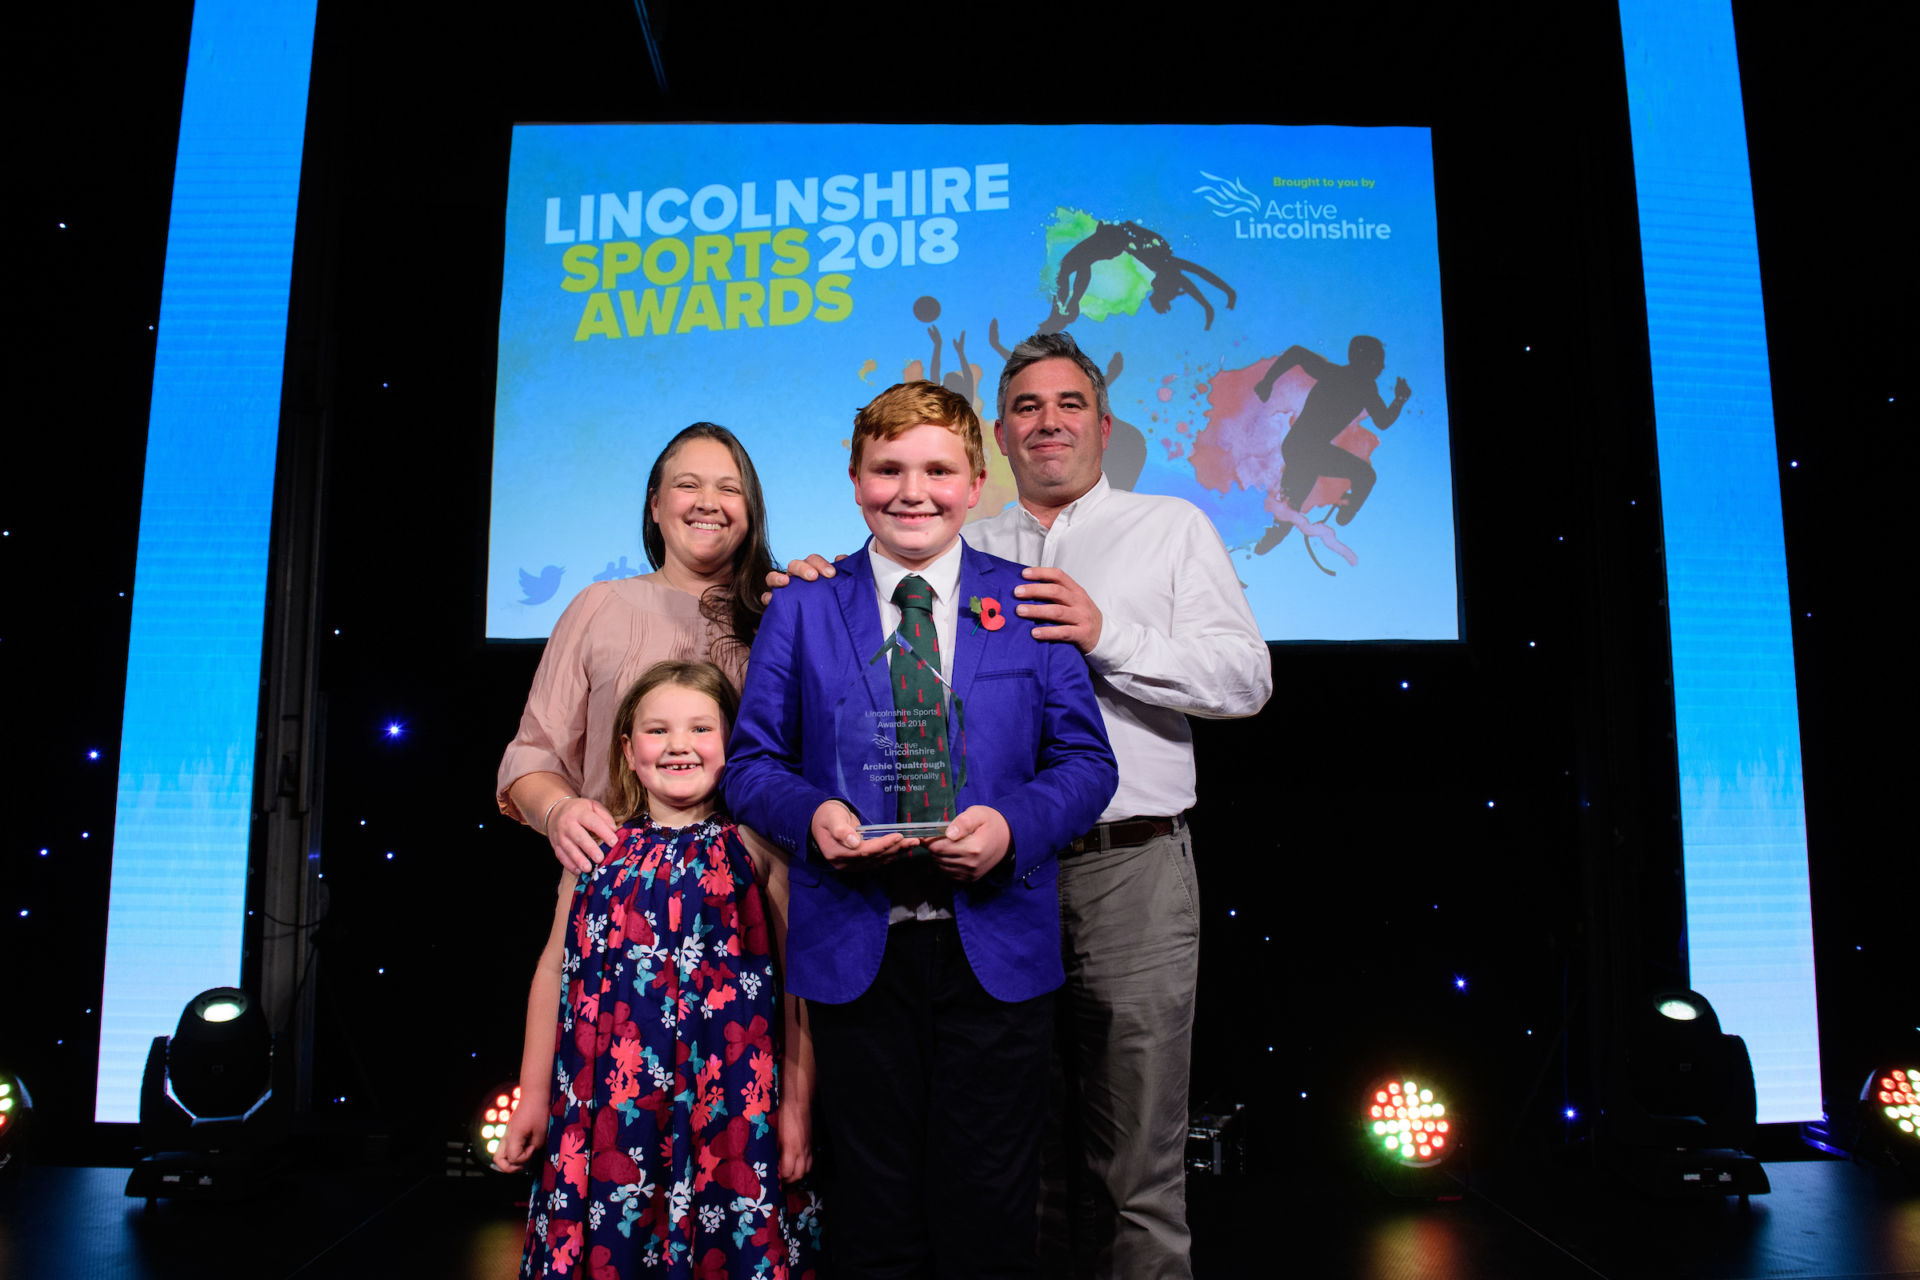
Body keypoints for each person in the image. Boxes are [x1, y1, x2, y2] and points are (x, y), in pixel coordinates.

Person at [775, 332, 1271, 1279]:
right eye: (1028, 409)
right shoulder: (964, 541)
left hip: (1128, 864)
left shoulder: (1170, 528)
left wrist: (1106, 632)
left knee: (1136, 1158)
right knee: (1008, 1161)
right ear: (996, 439)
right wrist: (813, 582)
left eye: (1070, 404)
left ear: (1105, 423)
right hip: (985, 882)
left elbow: (1246, 681)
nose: (1049, 423)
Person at [725, 380, 1117, 1278]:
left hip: (996, 953)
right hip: (855, 955)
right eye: (889, 468)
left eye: (938, 469)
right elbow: (750, 767)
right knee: (873, 1218)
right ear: (856, 480)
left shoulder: (1027, 600)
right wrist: (811, 815)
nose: (913, 490)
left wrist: (1011, 826)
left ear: (976, 483)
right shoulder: (801, 609)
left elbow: (1089, 765)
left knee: (988, 1216)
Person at [494, 660, 821, 1279]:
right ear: (627, 748)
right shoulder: (595, 848)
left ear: (735, 742)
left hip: (731, 1111)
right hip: (610, 1108)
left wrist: (797, 1109)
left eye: (702, 728)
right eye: (657, 730)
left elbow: (796, 986)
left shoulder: (758, 847)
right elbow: (552, 976)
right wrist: (533, 1096)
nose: (678, 745)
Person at [497, 422, 775, 874]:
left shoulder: (778, 614)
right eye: (688, 485)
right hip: (617, 892)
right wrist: (559, 812)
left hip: (751, 896)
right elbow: (534, 756)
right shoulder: (597, 607)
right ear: (655, 504)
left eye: (729, 489)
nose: (709, 501)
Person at [1250, 336, 1413, 551]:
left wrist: (1268, 381)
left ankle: (1276, 533)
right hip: (1306, 448)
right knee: (1365, 476)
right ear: (1364, 360)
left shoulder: (1361, 387)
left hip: (1300, 449)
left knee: (1292, 506)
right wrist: (1267, 381)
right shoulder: (1346, 379)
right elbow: (1297, 351)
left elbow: (1382, 421)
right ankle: (1344, 511)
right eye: (1378, 361)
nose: (1382, 367)